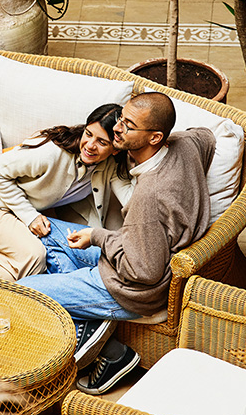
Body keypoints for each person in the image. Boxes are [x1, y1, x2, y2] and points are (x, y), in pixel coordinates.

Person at [18, 91, 216, 395]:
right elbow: (207, 137)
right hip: (136, 247)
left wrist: (98, 236)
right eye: (121, 118)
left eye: (129, 125)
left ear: (155, 137)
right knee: (49, 230)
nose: (117, 128)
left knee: (27, 292)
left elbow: (143, 271)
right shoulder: (186, 144)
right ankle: (91, 323)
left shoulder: (147, 198)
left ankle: (111, 353)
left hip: (130, 288)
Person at [0, 104, 133, 281]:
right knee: (34, 256)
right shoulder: (52, 154)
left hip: (25, 211)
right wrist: (30, 216)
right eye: (88, 134)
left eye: (102, 142)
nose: (90, 145)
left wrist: (152, 150)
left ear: (115, 149)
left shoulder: (110, 165)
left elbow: (130, 199)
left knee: (89, 256)